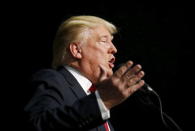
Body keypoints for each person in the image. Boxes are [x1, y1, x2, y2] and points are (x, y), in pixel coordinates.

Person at [24, 15, 171, 131]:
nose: (114, 49)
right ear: (76, 50)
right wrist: (103, 100)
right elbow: (38, 124)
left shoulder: (92, 97)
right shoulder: (53, 79)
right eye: (104, 40)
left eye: (112, 42)